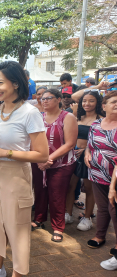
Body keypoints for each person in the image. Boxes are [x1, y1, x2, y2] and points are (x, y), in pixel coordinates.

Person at [0, 61, 49, 277]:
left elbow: (42, 155)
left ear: (16, 83)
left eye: (0, 82)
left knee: (17, 229)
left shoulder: (30, 113)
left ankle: (19, 272)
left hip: (16, 176)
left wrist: (4, 153)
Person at [31, 89, 78, 242]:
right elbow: (33, 139)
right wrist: (39, 159)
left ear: (58, 99)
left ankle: (58, 227)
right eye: (42, 98)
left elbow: (70, 143)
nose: (44, 101)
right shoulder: (39, 117)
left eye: (48, 98)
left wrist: (48, 159)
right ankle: (39, 219)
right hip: (39, 162)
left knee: (57, 195)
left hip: (61, 164)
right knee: (40, 190)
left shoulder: (68, 117)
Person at [84, 91, 117, 268]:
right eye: (113, 102)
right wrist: (87, 153)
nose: (116, 104)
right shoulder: (96, 124)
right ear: (104, 106)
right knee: (103, 208)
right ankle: (100, 236)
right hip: (96, 174)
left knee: (115, 211)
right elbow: (90, 144)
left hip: (115, 178)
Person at [65, 90, 104, 231]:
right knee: (70, 185)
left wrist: (87, 148)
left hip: (90, 157)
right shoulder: (77, 117)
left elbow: (101, 140)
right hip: (74, 155)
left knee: (89, 189)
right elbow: (70, 134)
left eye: (91, 100)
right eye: (84, 101)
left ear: (98, 102)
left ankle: (87, 218)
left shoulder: (101, 119)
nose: (87, 103)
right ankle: (68, 214)